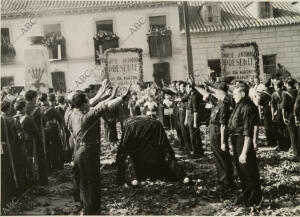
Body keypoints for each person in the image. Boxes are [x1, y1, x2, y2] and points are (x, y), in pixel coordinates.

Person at [71, 84, 130, 214]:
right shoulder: (87, 117)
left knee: (84, 182)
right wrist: (121, 97)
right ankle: (92, 211)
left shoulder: (75, 113)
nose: (89, 101)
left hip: (79, 151)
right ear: (84, 104)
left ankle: (86, 207)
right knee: (92, 182)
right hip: (88, 151)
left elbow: (94, 103)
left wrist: (107, 94)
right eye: (87, 100)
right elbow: (105, 106)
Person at [229, 81, 262, 206]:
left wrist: (244, 152)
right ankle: (246, 195)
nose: (233, 96)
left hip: (243, 141)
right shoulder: (239, 104)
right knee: (241, 171)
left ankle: (254, 199)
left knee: (248, 170)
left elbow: (248, 132)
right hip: (237, 140)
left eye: (235, 94)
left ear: (242, 93)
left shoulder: (247, 107)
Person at [208, 82, 234, 190]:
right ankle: (222, 178)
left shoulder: (224, 104)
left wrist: (223, 142)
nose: (215, 93)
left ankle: (226, 182)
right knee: (217, 156)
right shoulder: (219, 102)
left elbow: (223, 125)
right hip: (214, 129)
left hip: (219, 131)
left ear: (221, 91)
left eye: (216, 91)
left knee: (222, 156)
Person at [24, 90, 48, 185]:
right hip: (37, 137)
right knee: (40, 157)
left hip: (25, 139)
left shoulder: (22, 108)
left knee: (28, 158)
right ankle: (42, 181)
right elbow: (45, 123)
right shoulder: (38, 109)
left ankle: (30, 181)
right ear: (33, 97)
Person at [282, 78, 300, 160]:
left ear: (287, 84)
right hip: (298, 115)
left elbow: (284, 107)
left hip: (290, 115)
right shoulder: (297, 91)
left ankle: (296, 154)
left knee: (292, 134)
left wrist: (284, 117)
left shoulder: (285, 93)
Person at [185, 83, 204, 158]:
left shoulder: (194, 97)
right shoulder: (190, 96)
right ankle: (197, 151)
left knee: (194, 136)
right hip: (190, 116)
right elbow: (187, 108)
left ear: (190, 88)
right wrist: (186, 119)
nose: (186, 89)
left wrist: (195, 122)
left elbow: (195, 110)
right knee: (192, 135)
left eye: (187, 88)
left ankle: (197, 152)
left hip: (193, 117)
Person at [271, 80, 290, 151]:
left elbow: (272, 106)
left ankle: (280, 145)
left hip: (278, 112)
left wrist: (272, 115)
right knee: (286, 128)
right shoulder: (286, 93)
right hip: (286, 112)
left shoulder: (274, 94)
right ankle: (287, 144)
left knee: (279, 129)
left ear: (276, 86)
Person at [257, 79, 276, 147]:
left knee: (267, 126)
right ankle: (274, 141)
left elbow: (259, 104)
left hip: (266, 110)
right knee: (273, 125)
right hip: (274, 109)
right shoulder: (273, 91)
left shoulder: (262, 93)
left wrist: (260, 114)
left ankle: (270, 141)